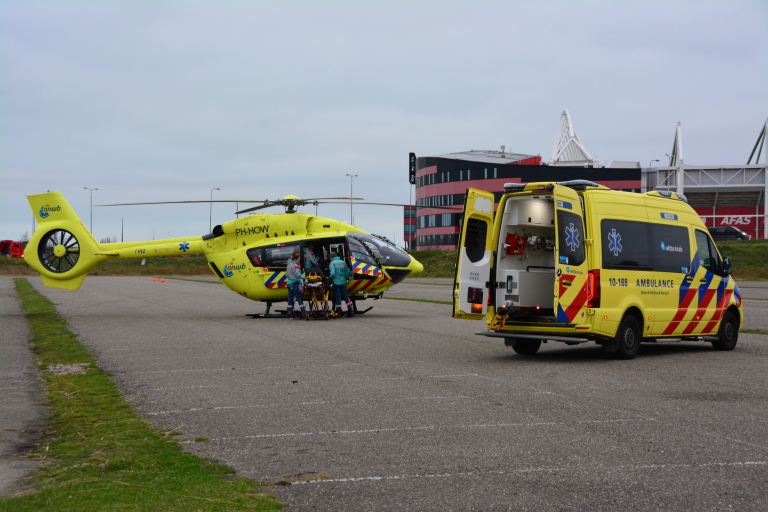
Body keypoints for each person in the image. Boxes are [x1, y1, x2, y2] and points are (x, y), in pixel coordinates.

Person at [329, 251, 354, 317]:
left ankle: (339, 309)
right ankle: (350, 309)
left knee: (338, 296)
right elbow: (347, 272)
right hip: (343, 282)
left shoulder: (332, 263)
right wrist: (345, 279)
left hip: (336, 282)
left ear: (331, 257)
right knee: (345, 296)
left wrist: (330, 278)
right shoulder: (343, 262)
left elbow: (333, 273)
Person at [285, 251, 307, 318]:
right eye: (298, 260)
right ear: (295, 259)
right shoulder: (295, 265)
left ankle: (290, 312)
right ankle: (304, 312)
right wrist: (305, 278)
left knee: (290, 299)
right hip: (295, 283)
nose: (299, 261)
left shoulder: (289, 263)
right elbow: (298, 275)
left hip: (289, 283)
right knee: (299, 298)